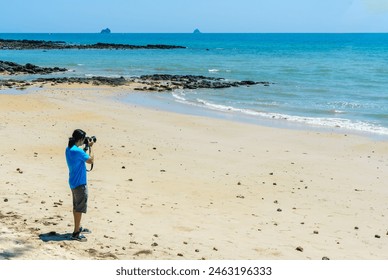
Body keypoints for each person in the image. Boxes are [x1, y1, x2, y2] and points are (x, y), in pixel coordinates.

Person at [65, 129, 94, 241]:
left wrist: (85, 148)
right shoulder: (78, 152)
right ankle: (76, 233)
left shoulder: (69, 149)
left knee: (76, 207)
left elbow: (80, 157)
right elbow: (91, 160)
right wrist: (91, 147)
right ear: (81, 139)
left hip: (73, 182)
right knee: (79, 209)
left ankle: (77, 227)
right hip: (80, 184)